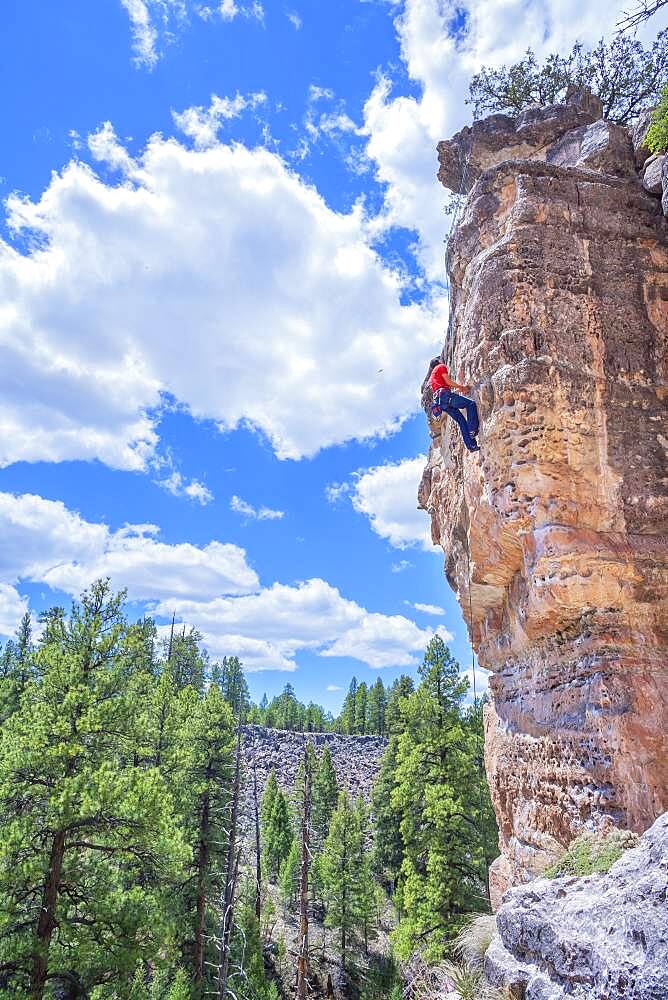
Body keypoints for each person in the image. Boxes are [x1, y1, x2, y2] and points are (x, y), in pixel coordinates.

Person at [429, 359, 479, 452]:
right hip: (445, 396)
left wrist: (457, 391)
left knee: (461, 421)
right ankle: (472, 429)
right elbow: (448, 382)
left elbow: (442, 390)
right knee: (470, 404)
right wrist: (462, 387)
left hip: (441, 402)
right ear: (439, 362)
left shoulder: (433, 377)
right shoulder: (441, 367)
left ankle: (471, 446)